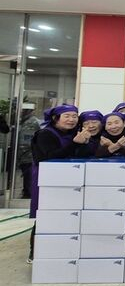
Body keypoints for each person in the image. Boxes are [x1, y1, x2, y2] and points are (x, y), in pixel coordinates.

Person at [28, 104, 86, 262]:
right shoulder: (45, 134)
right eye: (67, 116)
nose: (71, 120)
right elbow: (49, 157)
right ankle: (35, 252)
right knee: (46, 214)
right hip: (47, 180)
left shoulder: (73, 133)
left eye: (74, 116)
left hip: (67, 178)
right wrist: (75, 143)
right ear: (55, 118)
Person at [16, 103, 40, 198]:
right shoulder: (24, 121)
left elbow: (26, 141)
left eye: (23, 110)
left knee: (28, 176)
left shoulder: (31, 122)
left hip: (28, 155)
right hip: (25, 155)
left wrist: (22, 155)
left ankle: (28, 193)